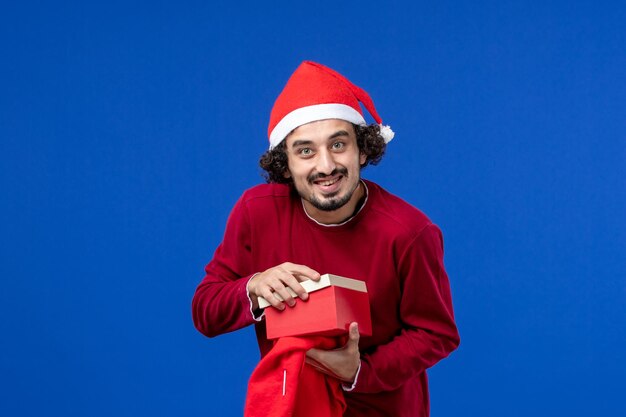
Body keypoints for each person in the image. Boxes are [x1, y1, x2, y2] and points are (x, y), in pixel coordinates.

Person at [192, 61, 460, 417]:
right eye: (305, 151)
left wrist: (360, 371)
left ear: (363, 150)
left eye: (338, 144)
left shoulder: (410, 232)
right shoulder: (256, 212)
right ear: (284, 165)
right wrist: (253, 287)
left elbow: (436, 333)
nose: (326, 165)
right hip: (290, 406)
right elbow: (205, 312)